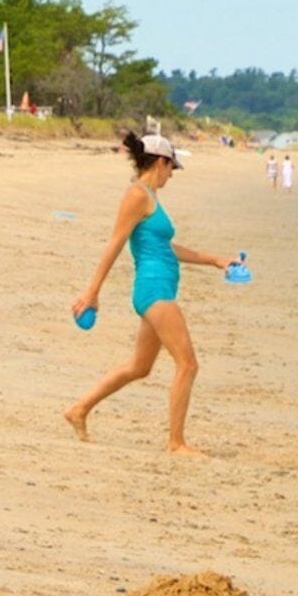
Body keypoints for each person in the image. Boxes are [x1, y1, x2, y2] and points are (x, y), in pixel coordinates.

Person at [66, 130, 239, 452]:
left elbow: (164, 247)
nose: (171, 175)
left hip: (160, 289)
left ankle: (79, 409)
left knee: (139, 367)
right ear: (161, 162)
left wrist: (216, 260)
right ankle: (176, 443)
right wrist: (92, 292)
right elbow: (115, 243)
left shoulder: (149, 196)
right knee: (188, 364)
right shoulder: (137, 195)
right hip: (154, 290)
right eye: (172, 168)